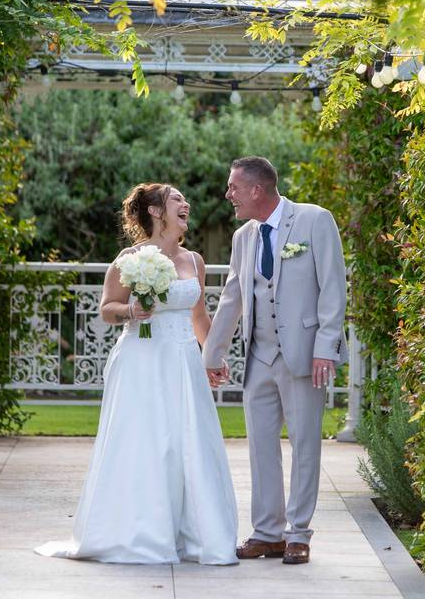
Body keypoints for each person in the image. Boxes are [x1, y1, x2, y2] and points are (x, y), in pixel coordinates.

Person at [35, 183, 238, 565]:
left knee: (190, 442)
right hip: (141, 360)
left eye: (183, 199)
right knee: (145, 441)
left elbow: (198, 316)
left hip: (182, 362)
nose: (186, 204)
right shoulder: (130, 258)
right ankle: (139, 532)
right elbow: (107, 308)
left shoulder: (195, 261)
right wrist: (131, 312)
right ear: (156, 212)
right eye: (176, 199)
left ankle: (196, 536)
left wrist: (212, 356)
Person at [202, 156, 347, 565]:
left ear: (256, 190)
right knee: (260, 448)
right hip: (259, 357)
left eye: (233, 188)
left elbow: (333, 287)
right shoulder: (243, 237)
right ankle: (267, 533)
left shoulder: (315, 220)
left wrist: (326, 346)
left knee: (305, 445)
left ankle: (298, 534)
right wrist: (211, 354)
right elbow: (232, 296)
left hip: (304, 355)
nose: (228, 195)